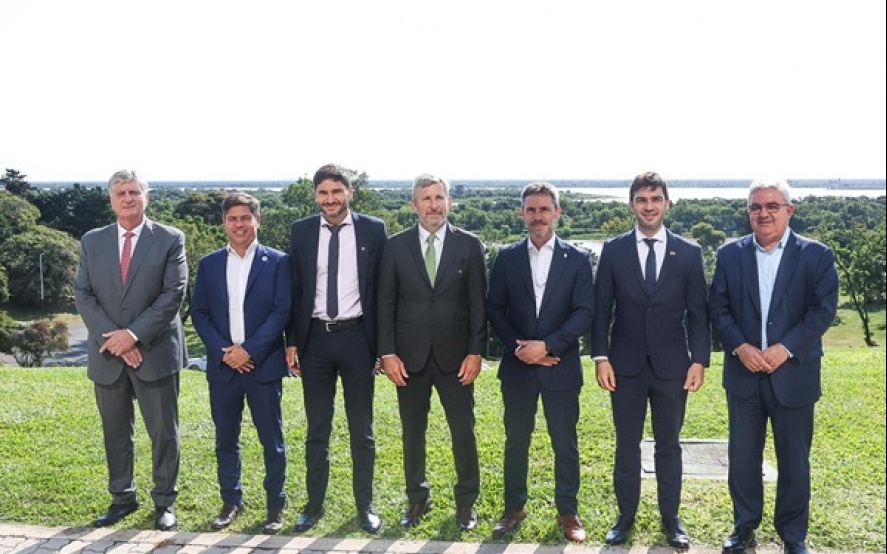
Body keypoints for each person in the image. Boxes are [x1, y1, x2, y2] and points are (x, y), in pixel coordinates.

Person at [709, 179, 838, 554]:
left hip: (794, 374)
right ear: (748, 212)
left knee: (794, 460)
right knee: (743, 458)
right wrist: (740, 347)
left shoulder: (816, 255)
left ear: (789, 210)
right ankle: (744, 526)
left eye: (772, 206)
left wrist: (787, 348)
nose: (763, 213)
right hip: (744, 374)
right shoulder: (729, 254)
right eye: (756, 207)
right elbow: (718, 307)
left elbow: (822, 311)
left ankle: (793, 534)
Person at [591, 171, 710, 548]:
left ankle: (671, 519)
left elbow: (699, 313)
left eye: (656, 199)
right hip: (623, 367)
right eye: (641, 199)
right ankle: (624, 517)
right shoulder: (614, 250)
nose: (649, 206)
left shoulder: (689, 253)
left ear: (667, 203)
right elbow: (601, 308)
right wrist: (600, 356)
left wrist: (699, 360)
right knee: (626, 444)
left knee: (668, 445)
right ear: (632, 205)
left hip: (673, 367)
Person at [73, 169, 187, 531]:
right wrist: (117, 341)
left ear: (146, 197)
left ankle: (164, 502)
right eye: (121, 192)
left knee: (163, 433)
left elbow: (173, 294)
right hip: (108, 353)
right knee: (116, 432)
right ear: (111, 199)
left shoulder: (170, 239)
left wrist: (134, 336)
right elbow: (83, 294)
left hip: (155, 351)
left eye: (134, 192)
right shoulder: (92, 241)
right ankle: (122, 498)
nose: (127, 198)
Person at [377, 173, 487, 532]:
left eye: (439, 198)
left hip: (457, 359)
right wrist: (387, 353)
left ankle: (466, 502)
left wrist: (476, 352)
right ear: (414, 205)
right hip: (408, 359)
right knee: (412, 432)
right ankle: (417, 498)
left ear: (449, 202)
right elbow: (385, 304)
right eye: (426, 199)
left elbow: (478, 305)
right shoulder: (394, 247)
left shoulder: (469, 245)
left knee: (463, 431)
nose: (434, 205)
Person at [486, 182, 595, 542]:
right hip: (517, 368)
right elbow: (494, 308)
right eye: (531, 209)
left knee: (565, 443)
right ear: (522, 213)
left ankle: (568, 512)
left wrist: (547, 346)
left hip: (560, 366)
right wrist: (520, 348)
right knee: (516, 441)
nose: (538, 216)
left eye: (544, 209)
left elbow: (585, 312)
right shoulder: (506, 257)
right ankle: (513, 508)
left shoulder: (578, 259)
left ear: (557, 212)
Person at [286, 163, 388, 534]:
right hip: (315, 341)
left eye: (336, 192)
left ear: (349, 192)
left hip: (358, 339)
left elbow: (383, 292)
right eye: (323, 193)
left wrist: (383, 347)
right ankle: (313, 506)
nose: (330, 200)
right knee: (317, 429)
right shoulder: (300, 231)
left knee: (362, 429)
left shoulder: (373, 230)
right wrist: (292, 340)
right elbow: (295, 289)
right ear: (315, 195)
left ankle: (365, 506)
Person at [190, 193, 292, 534]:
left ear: (257, 220)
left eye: (245, 217)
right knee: (225, 439)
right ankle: (231, 501)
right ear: (224, 223)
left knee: (272, 441)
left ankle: (275, 506)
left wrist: (249, 350)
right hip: (223, 369)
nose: (239, 224)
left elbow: (282, 311)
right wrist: (225, 352)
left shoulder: (278, 262)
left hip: (263, 366)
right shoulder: (209, 264)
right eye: (232, 218)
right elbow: (199, 313)